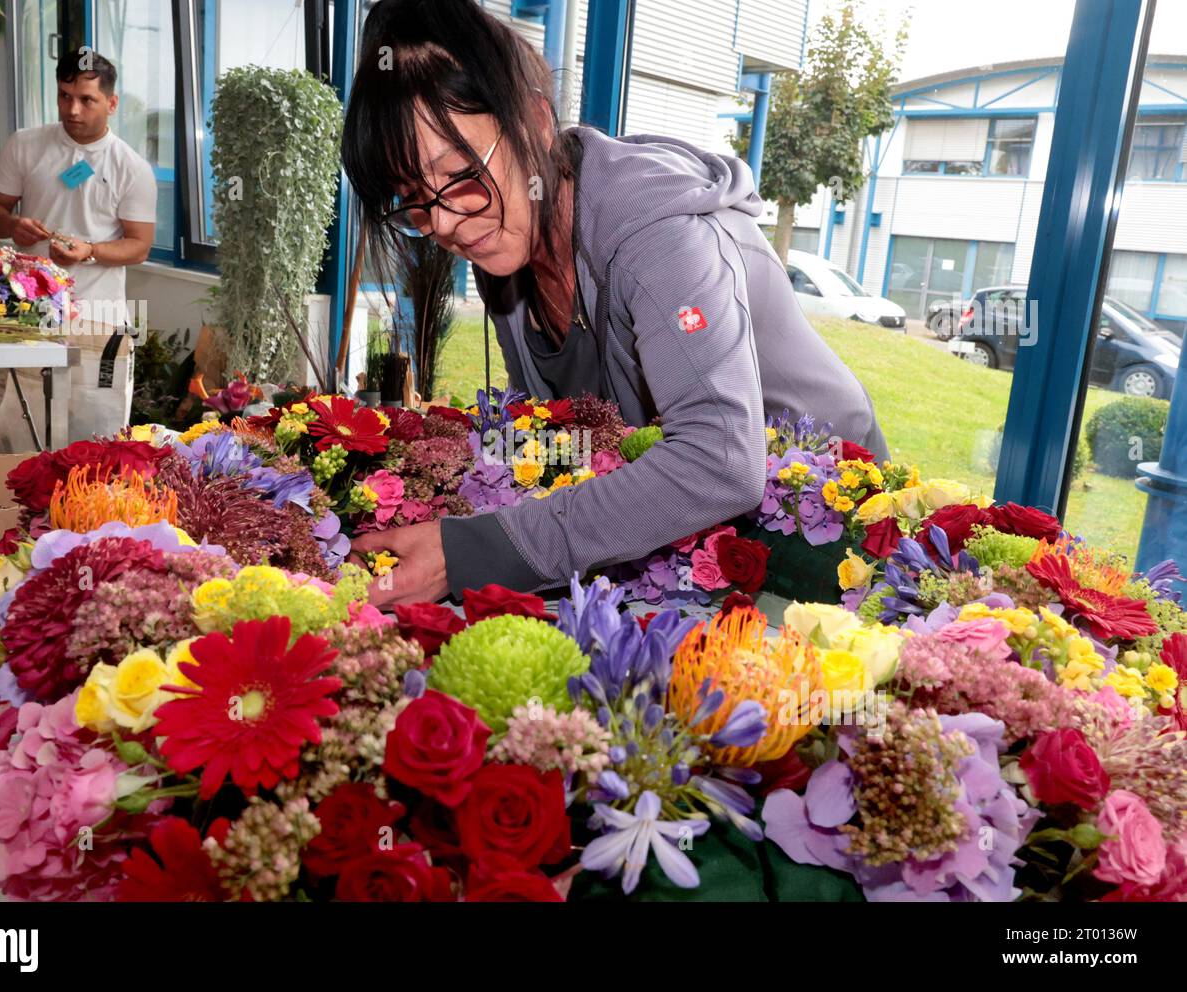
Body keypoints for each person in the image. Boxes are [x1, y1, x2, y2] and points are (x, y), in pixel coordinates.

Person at [343, 0, 887, 606]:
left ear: (535, 120)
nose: (445, 223)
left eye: (462, 175)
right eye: (414, 201)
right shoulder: (508, 254)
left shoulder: (660, 233)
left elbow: (719, 459)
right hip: (686, 532)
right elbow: (577, 436)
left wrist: (476, 551)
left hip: (822, 518)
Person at [0, 51, 156, 450]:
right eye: (64, 96)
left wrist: (89, 250)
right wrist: (12, 226)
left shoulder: (132, 167)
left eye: (87, 99)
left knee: (94, 437)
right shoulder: (25, 144)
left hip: (97, 319)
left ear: (112, 103)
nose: (72, 109)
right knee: (19, 430)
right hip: (26, 311)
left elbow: (139, 245)